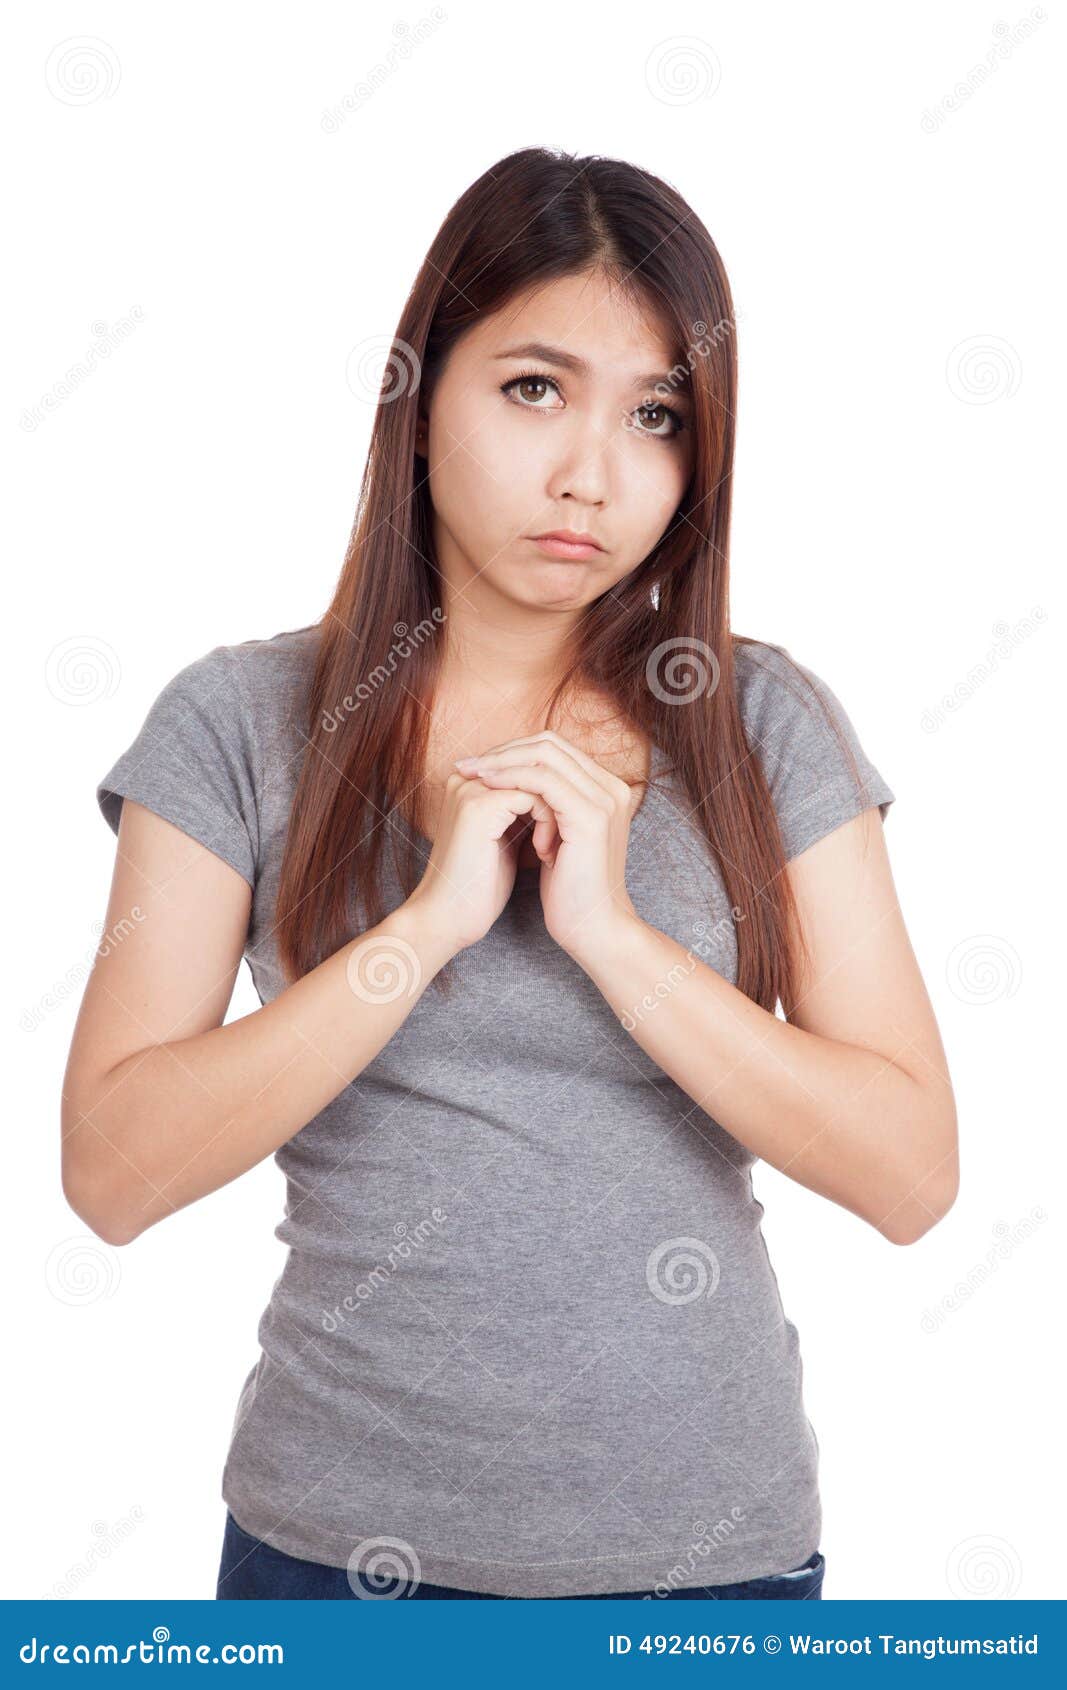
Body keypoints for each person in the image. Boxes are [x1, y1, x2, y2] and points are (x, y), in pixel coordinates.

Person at [63, 146, 959, 1601]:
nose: (590, 475)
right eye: (534, 388)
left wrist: (612, 933)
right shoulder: (238, 719)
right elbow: (111, 1170)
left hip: (708, 1565)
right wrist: (427, 928)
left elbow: (913, 1171)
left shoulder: (762, 720)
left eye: (657, 415)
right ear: (419, 403)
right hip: (334, 1563)